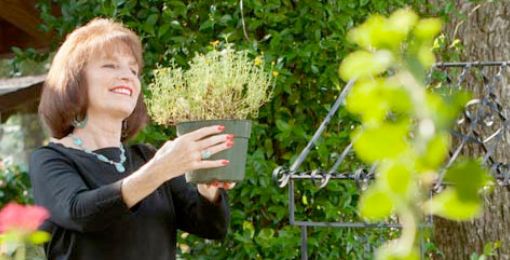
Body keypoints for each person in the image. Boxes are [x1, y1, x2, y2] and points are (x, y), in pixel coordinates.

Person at [29, 18, 235, 260]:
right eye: (110, 66)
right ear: (74, 81)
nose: (127, 76)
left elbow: (212, 227)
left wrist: (207, 187)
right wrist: (159, 170)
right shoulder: (51, 159)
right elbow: (80, 212)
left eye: (133, 70)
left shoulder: (146, 157)